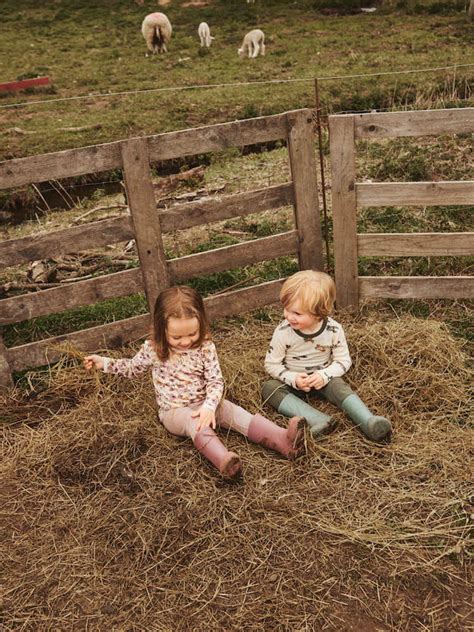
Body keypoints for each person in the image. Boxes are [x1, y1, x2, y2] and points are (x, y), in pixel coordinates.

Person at [84, 286, 304, 478]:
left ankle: (283, 440)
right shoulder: (154, 349)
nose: (186, 341)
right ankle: (223, 460)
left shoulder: (205, 346)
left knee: (233, 412)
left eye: (192, 334)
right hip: (175, 411)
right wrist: (103, 363)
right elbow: (131, 368)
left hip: (206, 402)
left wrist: (210, 406)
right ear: (162, 330)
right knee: (194, 422)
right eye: (177, 337)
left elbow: (216, 381)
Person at [262, 270, 392, 442]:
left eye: (297, 313)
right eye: (286, 309)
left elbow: (343, 361)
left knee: (338, 385)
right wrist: (293, 378)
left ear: (318, 313)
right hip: (294, 382)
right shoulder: (283, 331)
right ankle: (317, 420)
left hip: (324, 379)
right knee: (269, 388)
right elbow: (271, 364)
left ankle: (368, 421)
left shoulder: (334, 330)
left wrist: (324, 375)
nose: (288, 316)